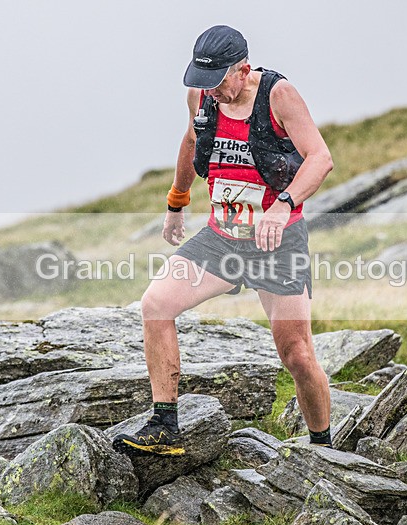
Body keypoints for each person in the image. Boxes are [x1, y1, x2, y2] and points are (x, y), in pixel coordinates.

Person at [113, 25, 334, 457]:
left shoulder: (278, 95)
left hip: (277, 242)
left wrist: (283, 204)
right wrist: (177, 200)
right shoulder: (202, 97)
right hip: (222, 238)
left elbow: (320, 158)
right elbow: (192, 139)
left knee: (298, 356)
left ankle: (324, 449)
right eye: (202, 83)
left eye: (217, 84)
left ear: (243, 70)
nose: (209, 93)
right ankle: (165, 426)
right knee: (156, 305)